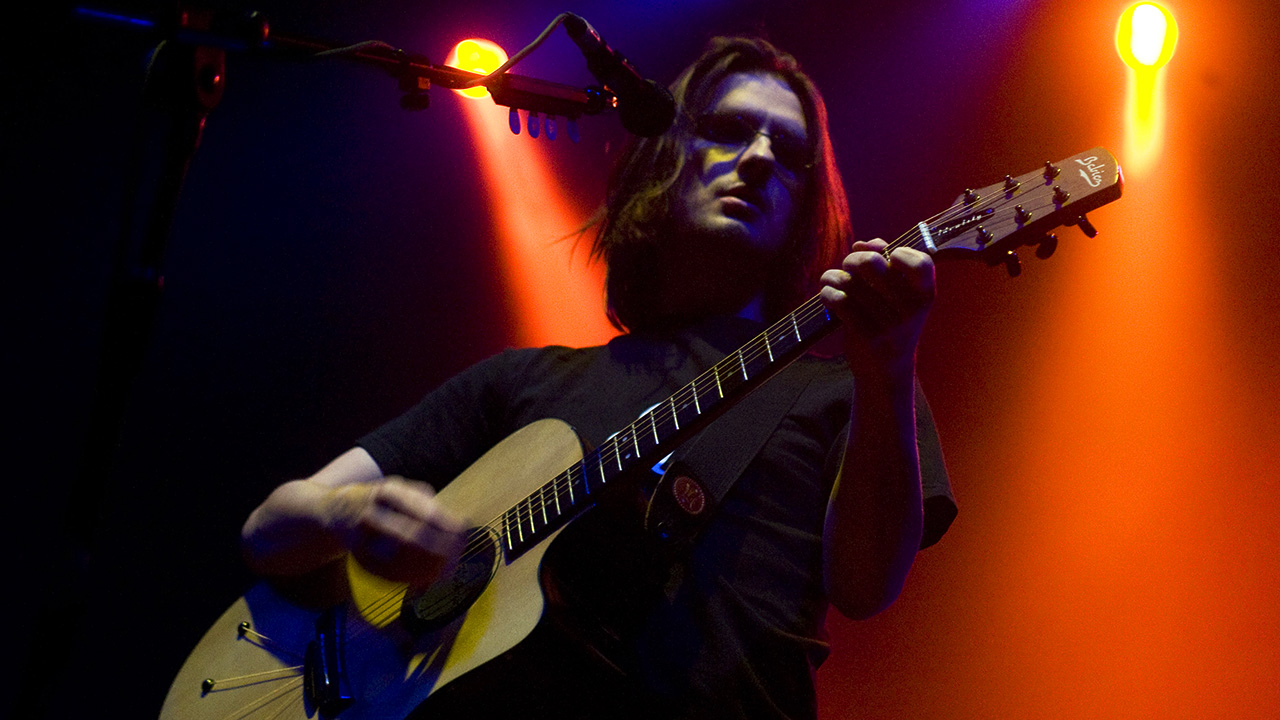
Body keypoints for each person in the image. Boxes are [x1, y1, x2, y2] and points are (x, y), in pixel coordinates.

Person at [241, 36, 955, 719]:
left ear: (807, 202)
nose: (762, 157)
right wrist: (353, 514)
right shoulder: (524, 379)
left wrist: (891, 365)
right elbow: (268, 528)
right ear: (667, 153)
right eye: (729, 130)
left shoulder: (853, 385)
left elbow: (865, 588)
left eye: (791, 152)